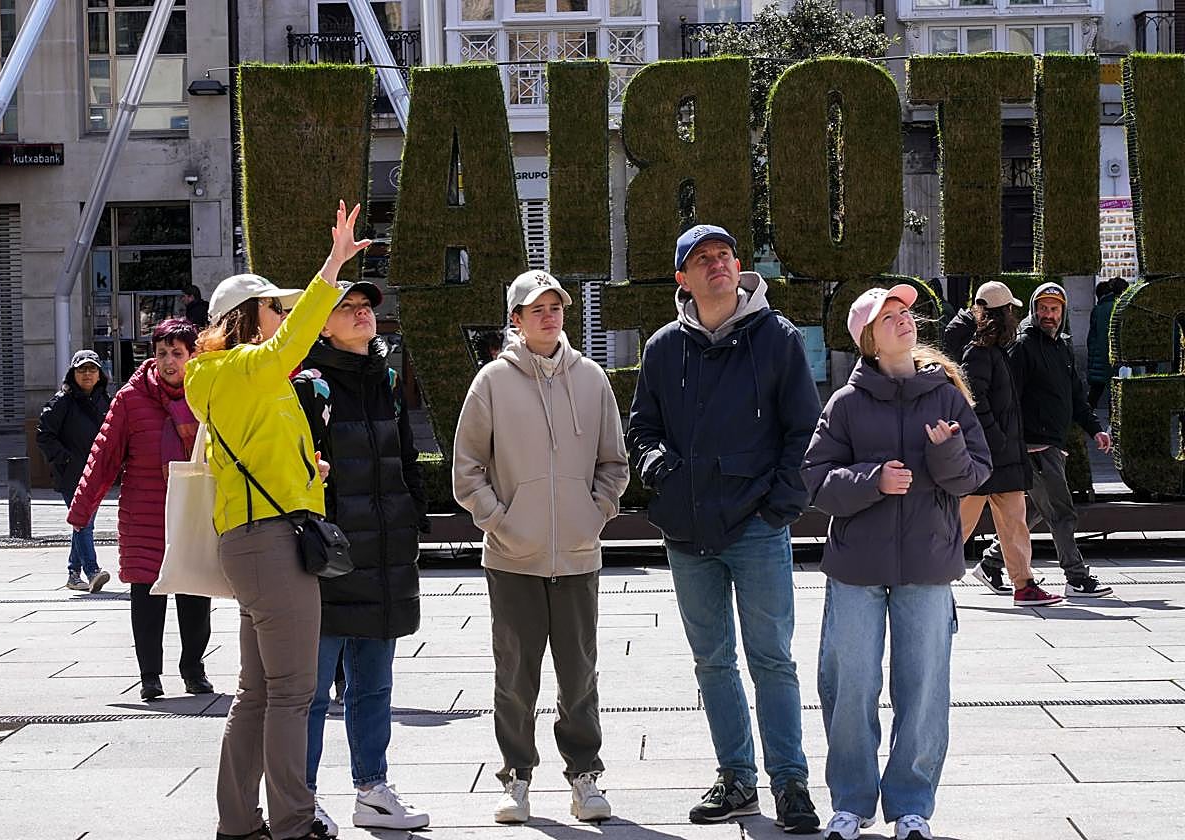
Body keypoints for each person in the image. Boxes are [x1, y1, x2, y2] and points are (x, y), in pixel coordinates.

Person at [627, 225, 822, 832]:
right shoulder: (662, 348)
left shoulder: (778, 338)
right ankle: (736, 778)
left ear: (739, 269)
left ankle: (790, 783)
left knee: (772, 660)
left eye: (724, 256)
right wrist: (659, 471)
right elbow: (641, 429)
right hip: (688, 533)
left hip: (757, 530)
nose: (716, 265)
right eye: (701, 259)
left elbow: (805, 434)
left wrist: (778, 509)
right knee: (712, 661)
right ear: (682, 278)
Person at [186, 201, 369, 840]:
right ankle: (293, 822)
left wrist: (307, 476)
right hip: (271, 546)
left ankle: (239, 822)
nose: (285, 317)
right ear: (242, 318)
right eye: (275, 307)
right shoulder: (240, 368)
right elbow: (293, 343)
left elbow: (259, 456)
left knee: (259, 694)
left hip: (255, 540)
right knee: (293, 693)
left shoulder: (228, 377)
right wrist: (334, 264)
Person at [802, 285, 992, 840]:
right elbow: (815, 481)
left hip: (929, 566)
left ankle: (912, 806)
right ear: (869, 339)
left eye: (906, 313)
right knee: (851, 686)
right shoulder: (846, 403)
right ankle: (852, 803)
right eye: (890, 317)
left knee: (924, 689)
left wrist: (946, 451)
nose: (905, 321)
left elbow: (976, 472)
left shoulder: (947, 395)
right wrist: (873, 480)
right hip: (857, 570)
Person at [452, 269, 629, 826]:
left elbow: (614, 462)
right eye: (537, 309)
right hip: (512, 558)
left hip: (576, 555)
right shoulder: (491, 383)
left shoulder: (592, 378)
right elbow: (467, 470)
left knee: (579, 674)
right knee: (515, 674)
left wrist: (591, 513)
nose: (549, 316)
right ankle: (517, 778)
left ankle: (585, 777)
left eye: (556, 307)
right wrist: (500, 523)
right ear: (516, 320)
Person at [292, 279, 430, 834]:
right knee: (310, 690)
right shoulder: (309, 385)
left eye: (366, 307)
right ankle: (299, 797)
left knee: (375, 684)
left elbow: (404, 452)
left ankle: (372, 788)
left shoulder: (388, 378)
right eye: (345, 308)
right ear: (322, 324)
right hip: (327, 556)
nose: (361, 315)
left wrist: (412, 514)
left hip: (384, 552)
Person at [68, 320, 212, 700]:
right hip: (144, 514)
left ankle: (194, 670)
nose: (168, 361)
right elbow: (104, 455)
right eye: (162, 353)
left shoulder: (207, 394)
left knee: (195, 596)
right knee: (146, 599)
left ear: (192, 355)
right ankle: (150, 676)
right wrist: (82, 511)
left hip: (191, 513)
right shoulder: (131, 399)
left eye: (177, 353)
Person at [975, 282, 1114, 599]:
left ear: (1063, 313)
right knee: (1061, 512)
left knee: (1036, 511)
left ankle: (990, 563)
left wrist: (1096, 430)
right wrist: (1019, 441)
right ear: (1034, 309)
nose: (1048, 315)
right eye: (1043, 308)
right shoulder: (1023, 345)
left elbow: (1077, 397)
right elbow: (1010, 398)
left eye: (1054, 309)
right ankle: (1076, 577)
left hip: (1053, 444)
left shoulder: (1062, 346)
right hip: (1034, 446)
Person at [959, 282, 1063, 607]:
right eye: (1010, 311)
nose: (1014, 316)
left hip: (1001, 458)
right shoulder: (978, 353)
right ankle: (924, 578)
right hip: (986, 458)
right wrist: (999, 440)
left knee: (1015, 520)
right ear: (1002, 314)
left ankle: (1024, 584)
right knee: (959, 524)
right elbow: (974, 402)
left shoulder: (994, 352)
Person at [37, 349, 113, 592]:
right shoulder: (62, 401)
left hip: (96, 473)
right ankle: (92, 571)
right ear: (73, 374)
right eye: (82, 370)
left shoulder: (105, 401)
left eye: (92, 369)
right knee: (84, 522)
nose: (87, 374)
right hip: (71, 475)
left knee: (82, 522)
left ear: (100, 374)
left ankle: (73, 572)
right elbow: (44, 435)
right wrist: (65, 460)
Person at [1086, 278, 1127, 409]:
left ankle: (1083, 424)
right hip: (1116, 357)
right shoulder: (1121, 307)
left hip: (1099, 358)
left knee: (1094, 394)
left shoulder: (1098, 309)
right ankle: (1114, 424)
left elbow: (1091, 337)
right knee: (1115, 394)